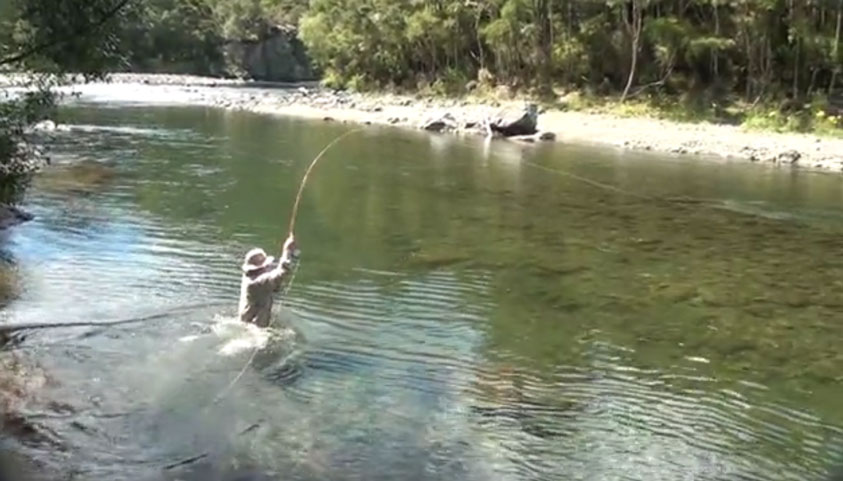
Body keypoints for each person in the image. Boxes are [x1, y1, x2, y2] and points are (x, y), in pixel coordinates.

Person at [238, 234, 298, 327]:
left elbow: (272, 280)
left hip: (247, 321)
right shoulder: (257, 282)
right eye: (266, 266)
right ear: (260, 268)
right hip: (256, 327)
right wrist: (286, 251)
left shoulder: (249, 277)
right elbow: (281, 272)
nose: (268, 267)